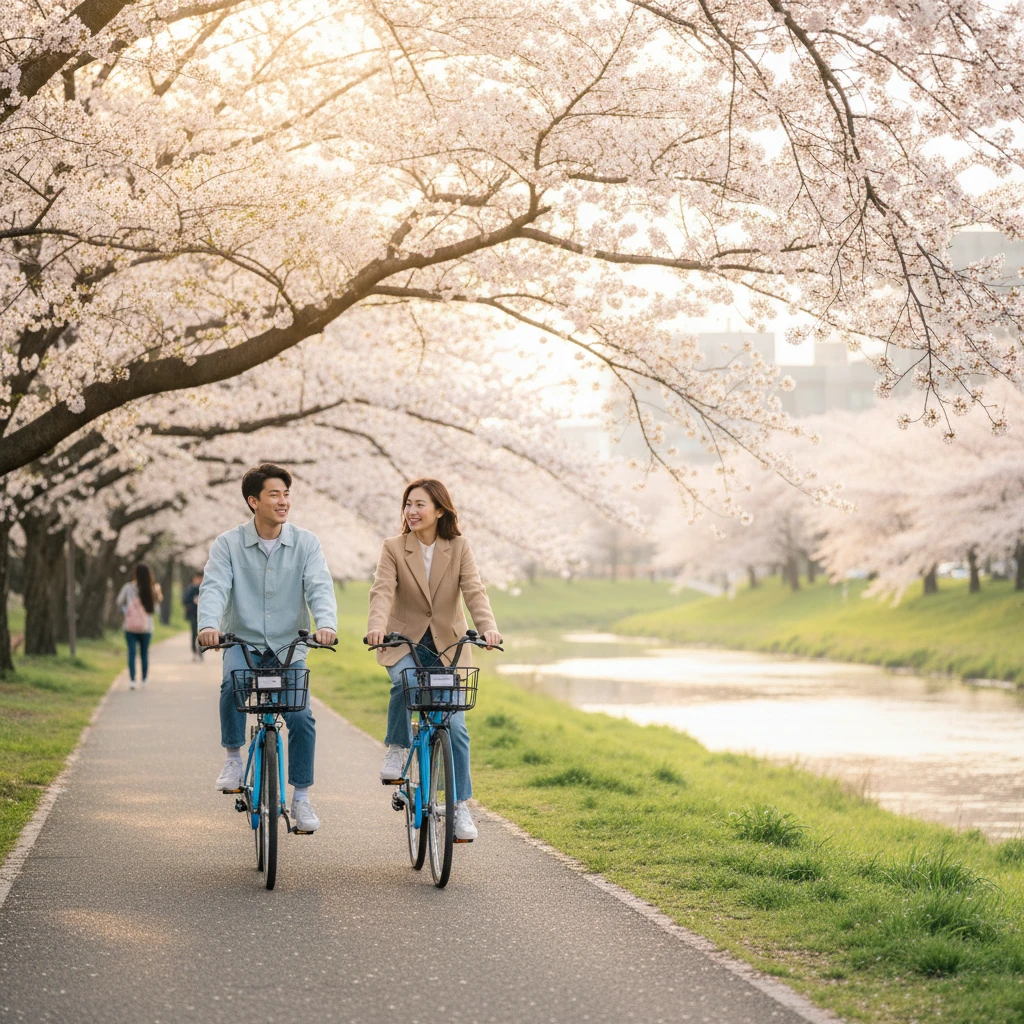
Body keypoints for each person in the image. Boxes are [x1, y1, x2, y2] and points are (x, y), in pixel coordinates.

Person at [197, 463, 337, 833]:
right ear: (253, 501)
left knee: (302, 716)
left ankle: (302, 798)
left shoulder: (306, 542)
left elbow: (319, 586)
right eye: (274, 494)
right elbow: (214, 586)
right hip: (242, 642)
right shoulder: (228, 544)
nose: (283, 501)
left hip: (289, 645)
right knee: (232, 685)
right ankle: (232, 756)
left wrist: (326, 625)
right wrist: (209, 626)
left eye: (287, 494)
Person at [367, 478, 502, 842]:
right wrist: (376, 627)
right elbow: (382, 590)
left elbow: (474, 590)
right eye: (408, 504)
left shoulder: (459, 547)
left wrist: (488, 628)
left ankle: (459, 807)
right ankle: (397, 748)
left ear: (439, 510)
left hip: (447, 646)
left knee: (455, 727)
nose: (412, 511)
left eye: (420, 504)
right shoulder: (394, 547)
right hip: (404, 641)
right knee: (404, 683)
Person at [116, 563, 163, 690]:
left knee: (131, 653)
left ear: (135, 574)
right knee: (144, 654)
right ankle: (144, 680)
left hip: (129, 626)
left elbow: (119, 602)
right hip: (146, 627)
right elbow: (156, 611)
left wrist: (127, 612)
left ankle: (132, 680)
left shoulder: (128, 587)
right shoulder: (152, 588)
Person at [181, 571, 203, 660]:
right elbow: (185, 600)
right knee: (194, 634)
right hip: (193, 614)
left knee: (201, 633)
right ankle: (194, 651)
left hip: (202, 615)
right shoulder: (190, 588)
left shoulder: (204, 588)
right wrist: (193, 601)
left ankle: (201, 652)